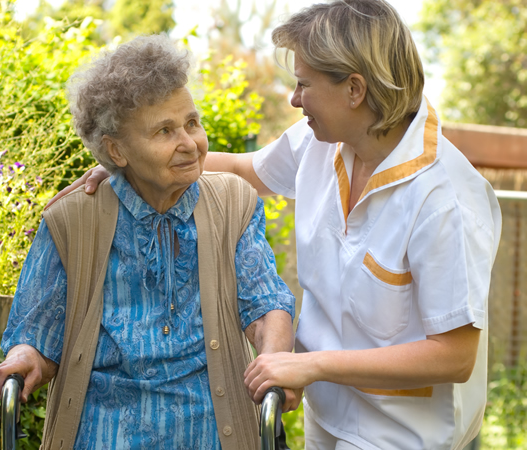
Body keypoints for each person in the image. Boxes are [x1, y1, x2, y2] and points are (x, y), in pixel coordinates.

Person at [50, 1, 502, 448]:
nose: (294, 98)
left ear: (354, 89)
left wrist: (312, 365)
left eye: (304, 84)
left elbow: (455, 355)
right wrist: (129, 169)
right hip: (330, 418)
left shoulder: (444, 198)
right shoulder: (322, 143)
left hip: (405, 434)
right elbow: (247, 170)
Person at [0, 35, 296, 450]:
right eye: (164, 131)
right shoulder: (71, 220)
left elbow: (264, 305)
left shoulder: (233, 203)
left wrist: (275, 361)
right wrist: (26, 357)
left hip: (212, 431)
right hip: (104, 434)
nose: (189, 143)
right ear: (116, 150)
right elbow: (37, 331)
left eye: (192, 123)